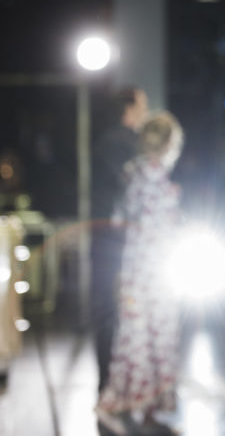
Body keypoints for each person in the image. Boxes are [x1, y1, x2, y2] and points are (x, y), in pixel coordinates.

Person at [95, 111, 184, 436]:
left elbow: (119, 220)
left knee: (134, 340)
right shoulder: (158, 181)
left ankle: (131, 405)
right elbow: (163, 231)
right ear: (170, 144)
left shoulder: (132, 175)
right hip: (156, 272)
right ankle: (143, 408)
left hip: (134, 269)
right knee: (158, 339)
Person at [91, 86, 148, 396]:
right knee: (115, 311)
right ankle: (113, 384)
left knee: (112, 311)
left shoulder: (112, 141)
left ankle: (113, 383)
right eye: (142, 104)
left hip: (111, 240)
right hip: (118, 242)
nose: (146, 110)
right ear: (129, 107)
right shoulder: (121, 142)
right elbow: (128, 189)